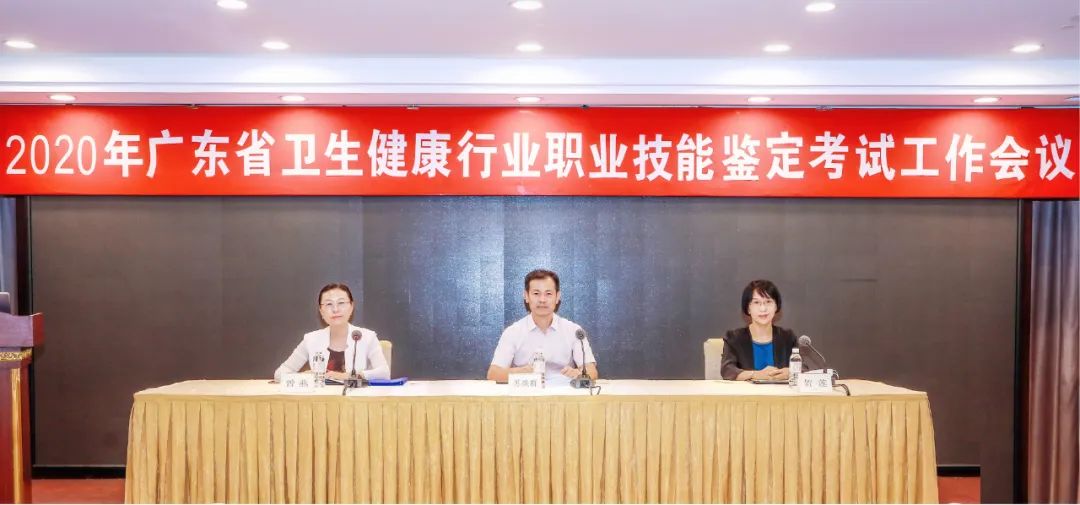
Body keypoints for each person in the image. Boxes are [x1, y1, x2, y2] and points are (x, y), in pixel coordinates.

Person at [487, 269, 599, 385]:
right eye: (536, 293)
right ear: (526, 296)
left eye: (548, 294)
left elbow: (592, 371)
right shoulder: (513, 332)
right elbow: (494, 373)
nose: (542, 300)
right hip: (526, 393)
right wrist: (521, 372)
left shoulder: (574, 331)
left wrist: (578, 374)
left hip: (563, 393)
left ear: (557, 297)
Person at [274, 283, 390, 382]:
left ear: (351, 307)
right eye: (329, 304)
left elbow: (384, 373)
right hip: (319, 399)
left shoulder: (367, 337)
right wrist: (305, 377)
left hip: (356, 400)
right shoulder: (311, 339)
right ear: (321, 311)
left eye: (341, 303)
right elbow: (279, 374)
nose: (335, 309)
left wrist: (350, 376)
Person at [720, 279, 799, 381]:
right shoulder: (734, 338)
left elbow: (806, 366)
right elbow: (727, 370)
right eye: (756, 302)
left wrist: (791, 372)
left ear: (776, 306)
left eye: (768, 302)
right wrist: (755, 375)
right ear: (748, 308)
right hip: (747, 391)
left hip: (781, 391)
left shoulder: (788, 338)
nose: (763, 309)